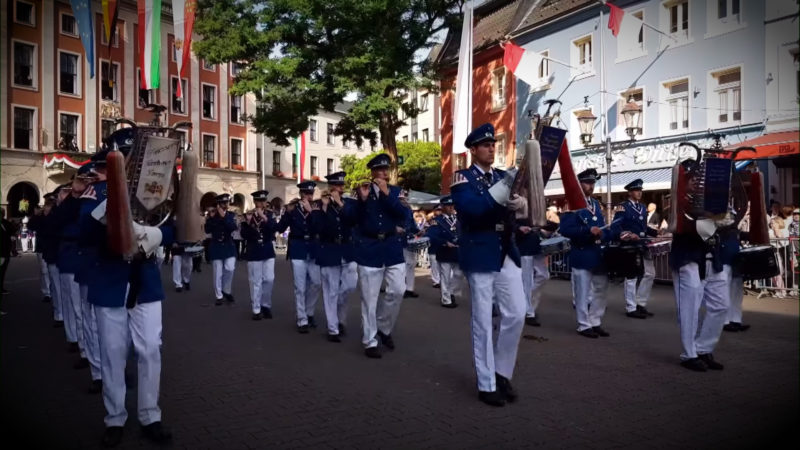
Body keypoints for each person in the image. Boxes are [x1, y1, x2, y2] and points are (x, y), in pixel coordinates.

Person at [81, 146, 171, 446]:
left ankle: (150, 415)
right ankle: (115, 417)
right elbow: (83, 231)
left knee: (150, 350)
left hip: (145, 281)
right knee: (112, 353)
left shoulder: (152, 188)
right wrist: (109, 215)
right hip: (111, 281)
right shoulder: (96, 192)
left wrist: (155, 235)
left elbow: (172, 224)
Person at [450, 123, 526, 407]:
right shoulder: (462, 179)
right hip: (480, 252)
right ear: (473, 150)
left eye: (494, 144)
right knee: (482, 320)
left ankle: (502, 372)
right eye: (486, 145)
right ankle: (487, 383)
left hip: (506, 251)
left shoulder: (502, 176)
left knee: (517, 313)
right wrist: (507, 190)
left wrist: (520, 206)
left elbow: (511, 212)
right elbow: (475, 210)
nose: (492, 148)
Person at [349, 154, 408, 359]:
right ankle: (370, 341)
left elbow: (403, 215)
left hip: (391, 247)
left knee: (398, 290)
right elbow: (349, 219)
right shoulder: (361, 191)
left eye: (387, 169)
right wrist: (362, 201)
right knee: (369, 298)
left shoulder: (396, 192)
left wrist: (387, 195)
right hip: (369, 248)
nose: (384, 173)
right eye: (380, 170)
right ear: (373, 172)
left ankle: (383, 327)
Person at [560, 168, 613, 339]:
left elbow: (602, 223)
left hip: (597, 252)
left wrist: (604, 233)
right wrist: (588, 230)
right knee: (582, 292)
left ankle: (595, 320)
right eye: (588, 182)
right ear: (579, 184)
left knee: (601, 288)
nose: (591, 186)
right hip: (581, 252)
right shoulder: (572, 204)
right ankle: (583, 324)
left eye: (593, 183)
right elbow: (566, 229)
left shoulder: (596, 204)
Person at [313, 172, 358, 342]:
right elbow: (317, 228)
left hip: (347, 248)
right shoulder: (319, 205)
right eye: (337, 186)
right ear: (330, 187)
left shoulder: (348, 203)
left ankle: (340, 318)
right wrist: (324, 208)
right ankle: (333, 327)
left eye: (341, 186)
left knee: (350, 286)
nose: (340, 189)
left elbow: (353, 221)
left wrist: (339, 203)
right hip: (329, 249)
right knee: (330, 291)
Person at [277, 182, 322, 333]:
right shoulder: (293, 209)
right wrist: (286, 213)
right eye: (308, 194)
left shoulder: (317, 208)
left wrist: (313, 213)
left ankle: (309, 312)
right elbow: (280, 228)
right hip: (298, 248)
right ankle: (302, 318)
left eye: (312, 193)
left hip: (313, 249)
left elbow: (320, 228)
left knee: (316, 283)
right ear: (302, 194)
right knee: (300, 286)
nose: (311, 196)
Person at [612, 179, 658, 319]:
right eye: (637, 190)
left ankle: (640, 303)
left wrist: (658, 233)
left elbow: (644, 228)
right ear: (630, 192)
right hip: (629, 246)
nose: (639, 193)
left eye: (640, 190)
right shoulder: (623, 207)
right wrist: (628, 235)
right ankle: (631, 307)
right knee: (631, 276)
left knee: (650, 274)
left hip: (643, 244)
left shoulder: (643, 207)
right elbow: (616, 227)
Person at [241, 190, 278, 320]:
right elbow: (244, 235)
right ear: (255, 202)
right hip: (254, 251)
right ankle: (256, 309)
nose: (262, 204)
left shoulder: (270, 215)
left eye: (264, 201)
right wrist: (249, 223)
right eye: (259, 201)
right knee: (256, 281)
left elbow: (274, 228)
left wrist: (264, 218)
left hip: (267, 250)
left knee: (269, 279)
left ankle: (266, 304)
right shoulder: (248, 216)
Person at [516, 206, 553, 327]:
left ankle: (524, 302)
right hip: (524, 247)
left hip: (537, 246)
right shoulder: (517, 203)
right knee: (527, 281)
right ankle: (529, 313)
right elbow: (509, 223)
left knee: (544, 276)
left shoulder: (537, 204)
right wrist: (519, 228)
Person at [426, 196, 462, 308]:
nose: (451, 207)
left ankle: (451, 292)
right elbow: (431, 236)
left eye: (452, 205)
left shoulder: (458, 219)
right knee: (445, 276)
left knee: (458, 275)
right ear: (443, 207)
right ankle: (446, 299)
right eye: (448, 205)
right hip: (444, 251)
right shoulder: (437, 221)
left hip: (457, 251)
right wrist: (444, 242)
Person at [205, 194, 237, 305]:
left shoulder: (231, 215)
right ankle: (219, 295)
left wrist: (224, 217)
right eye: (223, 203)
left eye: (226, 203)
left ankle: (226, 289)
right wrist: (212, 217)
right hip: (216, 246)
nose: (226, 205)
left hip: (228, 246)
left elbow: (233, 227)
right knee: (217, 272)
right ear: (218, 205)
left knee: (230, 268)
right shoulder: (212, 216)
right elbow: (207, 230)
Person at [26, 205, 52, 303]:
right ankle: (47, 293)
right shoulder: (39, 218)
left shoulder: (55, 216)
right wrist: (35, 215)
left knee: (52, 271)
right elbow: (30, 226)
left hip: (53, 247)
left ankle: (52, 290)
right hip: (41, 247)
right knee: (44, 270)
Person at [399, 190, 421, 298]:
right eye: (402, 198)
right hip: (398, 240)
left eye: (405, 198)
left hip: (409, 239)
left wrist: (418, 231)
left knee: (411, 264)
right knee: (401, 266)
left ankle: (409, 288)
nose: (404, 200)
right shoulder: (394, 210)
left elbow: (412, 224)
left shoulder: (408, 210)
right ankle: (401, 288)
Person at [1, 207, 17, 307]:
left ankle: (1, 287)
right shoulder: (5, 223)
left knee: (3, 271)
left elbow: (12, 230)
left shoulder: (6, 223)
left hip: (5, 251)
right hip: (2, 251)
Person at [427, 211, 442, 288]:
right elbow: (428, 238)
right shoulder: (431, 228)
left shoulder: (444, 227)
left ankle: (439, 281)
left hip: (441, 250)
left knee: (440, 267)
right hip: (433, 249)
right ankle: (436, 281)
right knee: (434, 266)